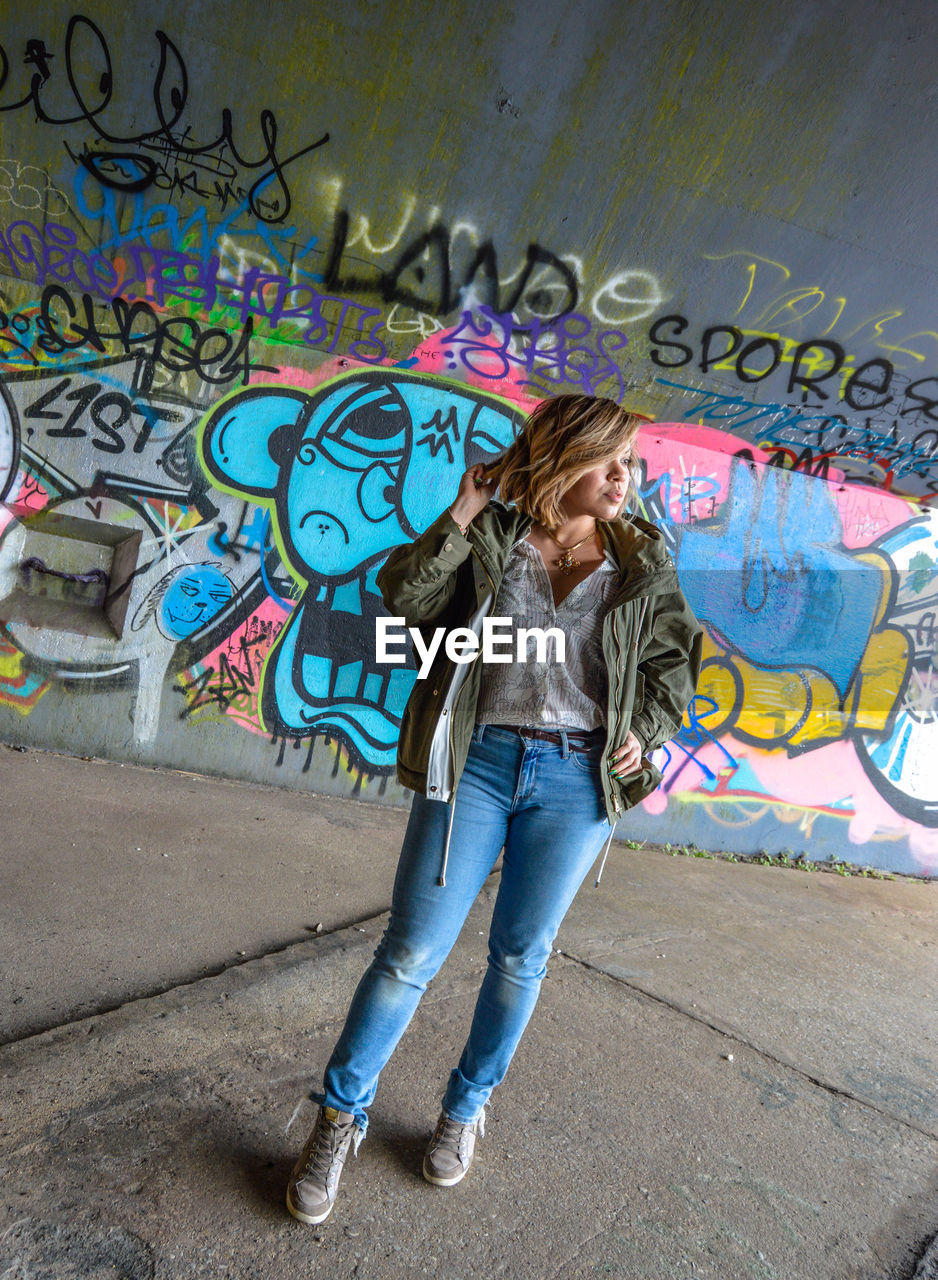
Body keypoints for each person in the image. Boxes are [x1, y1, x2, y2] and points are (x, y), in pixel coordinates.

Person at [286, 393, 702, 1225]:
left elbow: (673, 668)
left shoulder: (642, 560)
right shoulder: (493, 539)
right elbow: (404, 601)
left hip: (576, 781)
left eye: (630, 461)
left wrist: (644, 735)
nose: (625, 477)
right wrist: (466, 506)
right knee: (410, 951)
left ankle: (464, 1109)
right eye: (606, 459)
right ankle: (338, 1119)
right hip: (474, 764)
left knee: (521, 956)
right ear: (560, 459)